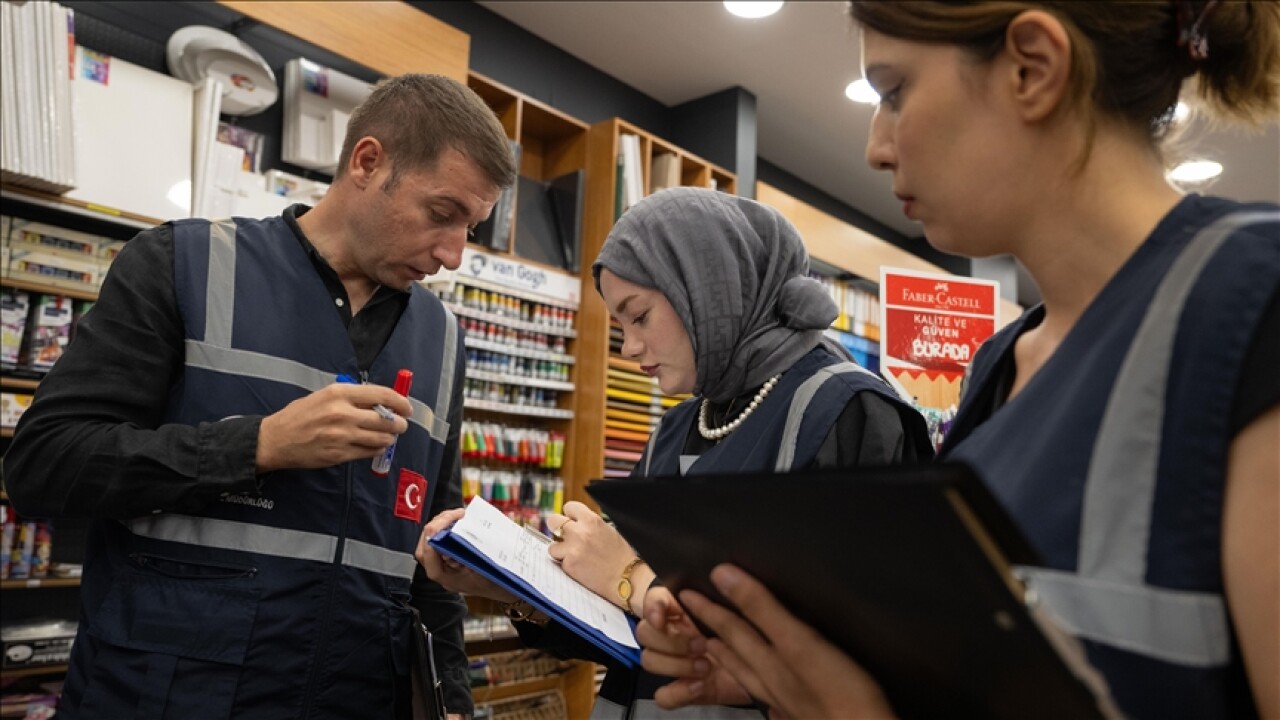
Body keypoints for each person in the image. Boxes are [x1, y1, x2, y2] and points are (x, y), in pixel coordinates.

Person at [638, 2, 1280, 719]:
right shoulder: (1000, 366)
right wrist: (783, 678)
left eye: (894, 92)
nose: (876, 147)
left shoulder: (1251, 300)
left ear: (1032, 67)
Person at [2, 73, 517, 719]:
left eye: (470, 226)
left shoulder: (442, 339)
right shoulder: (182, 264)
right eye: (442, 214)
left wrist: (451, 701)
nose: (452, 254)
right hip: (166, 697)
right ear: (367, 162)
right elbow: (43, 467)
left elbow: (434, 556)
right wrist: (259, 444)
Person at [416, 186, 934, 718]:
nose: (628, 347)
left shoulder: (850, 412)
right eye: (619, 325)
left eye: (638, 316)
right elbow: (622, 630)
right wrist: (511, 585)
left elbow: (871, 658)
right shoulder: (683, 423)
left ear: (708, 291)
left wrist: (631, 576)